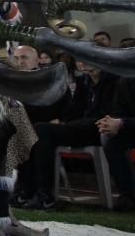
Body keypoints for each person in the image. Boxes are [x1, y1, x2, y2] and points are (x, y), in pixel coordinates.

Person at [20, 61, 119, 210]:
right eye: (81, 59)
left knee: (42, 130)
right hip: (80, 127)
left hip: (101, 128)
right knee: (35, 130)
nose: (83, 63)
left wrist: (69, 124)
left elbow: (109, 113)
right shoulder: (83, 81)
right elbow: (74, 110)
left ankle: (44, 194)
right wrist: (62, 121)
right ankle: (26, 191)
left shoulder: (114, 81)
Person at [98, 78, 135, 212]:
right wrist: (111, 124)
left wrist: (121, 122)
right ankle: (127, 195)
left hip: (129, 124)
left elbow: (122, 120)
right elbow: (118, 112)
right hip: (131, 127)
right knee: (110, 139)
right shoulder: (125, 82)